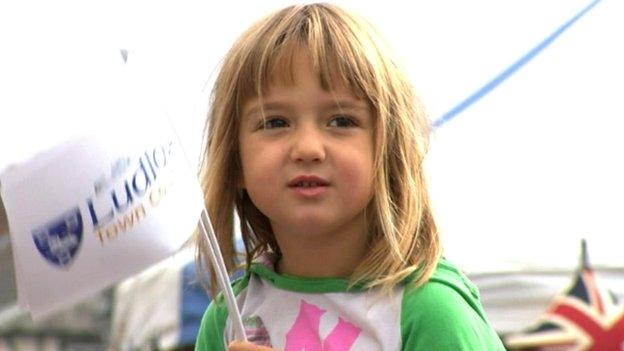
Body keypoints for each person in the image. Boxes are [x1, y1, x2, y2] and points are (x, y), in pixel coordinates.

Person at [194, 3, 505, 350]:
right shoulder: (228, 319)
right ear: (235, 161)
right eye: (275, 122)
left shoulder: (429, 312)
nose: (308, 148)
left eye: (341, 121)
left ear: (388, 151)